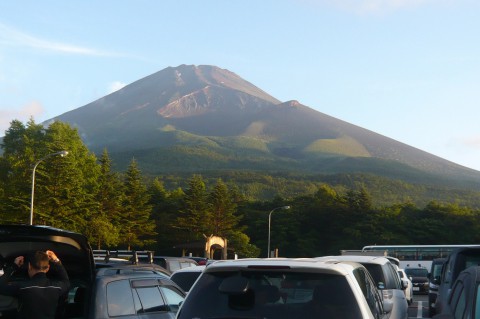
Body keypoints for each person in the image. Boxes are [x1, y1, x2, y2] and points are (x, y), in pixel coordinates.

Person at [0, 250, 70, 319]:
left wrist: (14, 267)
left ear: (29, 266)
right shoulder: (57, 287)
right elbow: (66, 282)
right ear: (48, 268)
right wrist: (56, 261)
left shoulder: (23, 287)